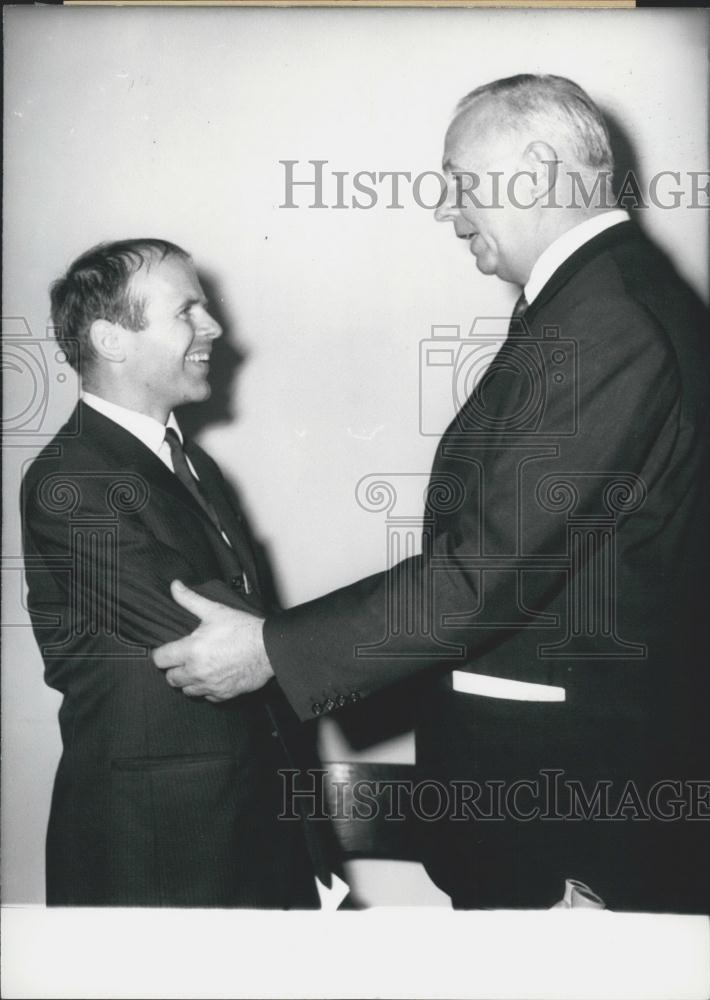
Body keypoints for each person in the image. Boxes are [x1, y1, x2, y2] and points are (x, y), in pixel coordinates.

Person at [152, 76, 710, 912]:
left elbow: (486, 571)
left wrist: (274, 649)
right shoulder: (605, 301)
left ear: (538, 168)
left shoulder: (605, 324)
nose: (449, 213)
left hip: (563, 814)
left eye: (458, 182)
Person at [22, 238, 341, 907]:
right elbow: (205, 629)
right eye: (187, 311)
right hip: (160, 853)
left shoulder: (192, 464)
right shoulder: (70, 479)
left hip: (249, 833)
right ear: (111, 339)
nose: (214, 327)